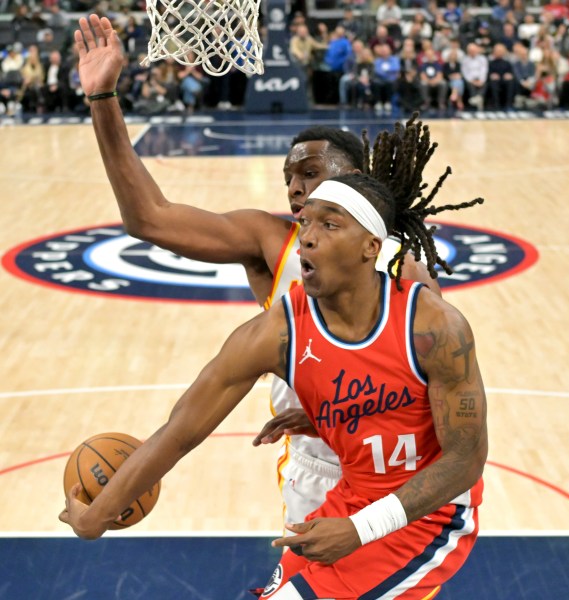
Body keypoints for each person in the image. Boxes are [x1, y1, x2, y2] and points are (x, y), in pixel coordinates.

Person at [71, 14, 482, 545]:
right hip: (318, 465)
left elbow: (429, 391)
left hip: (401, 469)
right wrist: (102, 101)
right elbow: (148, 218)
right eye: (288, 177)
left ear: (356, 183)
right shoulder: (270, 241)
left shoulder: (409, 272)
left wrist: (352, 409)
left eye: (309, 174)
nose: (294, 188)